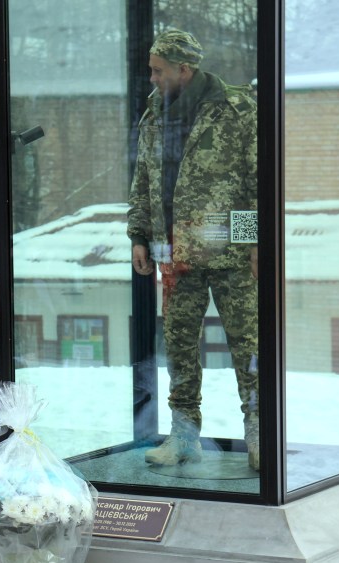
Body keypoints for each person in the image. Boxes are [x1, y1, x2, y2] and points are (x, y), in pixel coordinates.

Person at [126, 29, 260, 470]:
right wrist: (140, 236)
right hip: (174, 254)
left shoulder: (237, 109)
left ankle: (259, 432)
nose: (152, 78)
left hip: (230, 253)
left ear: (185, 69)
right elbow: (144, 179)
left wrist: (253, 241)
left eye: (158, 70)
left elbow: (257, 179)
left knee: (248, 343)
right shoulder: (154, 114)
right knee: (180, 346)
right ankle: (183, 436)